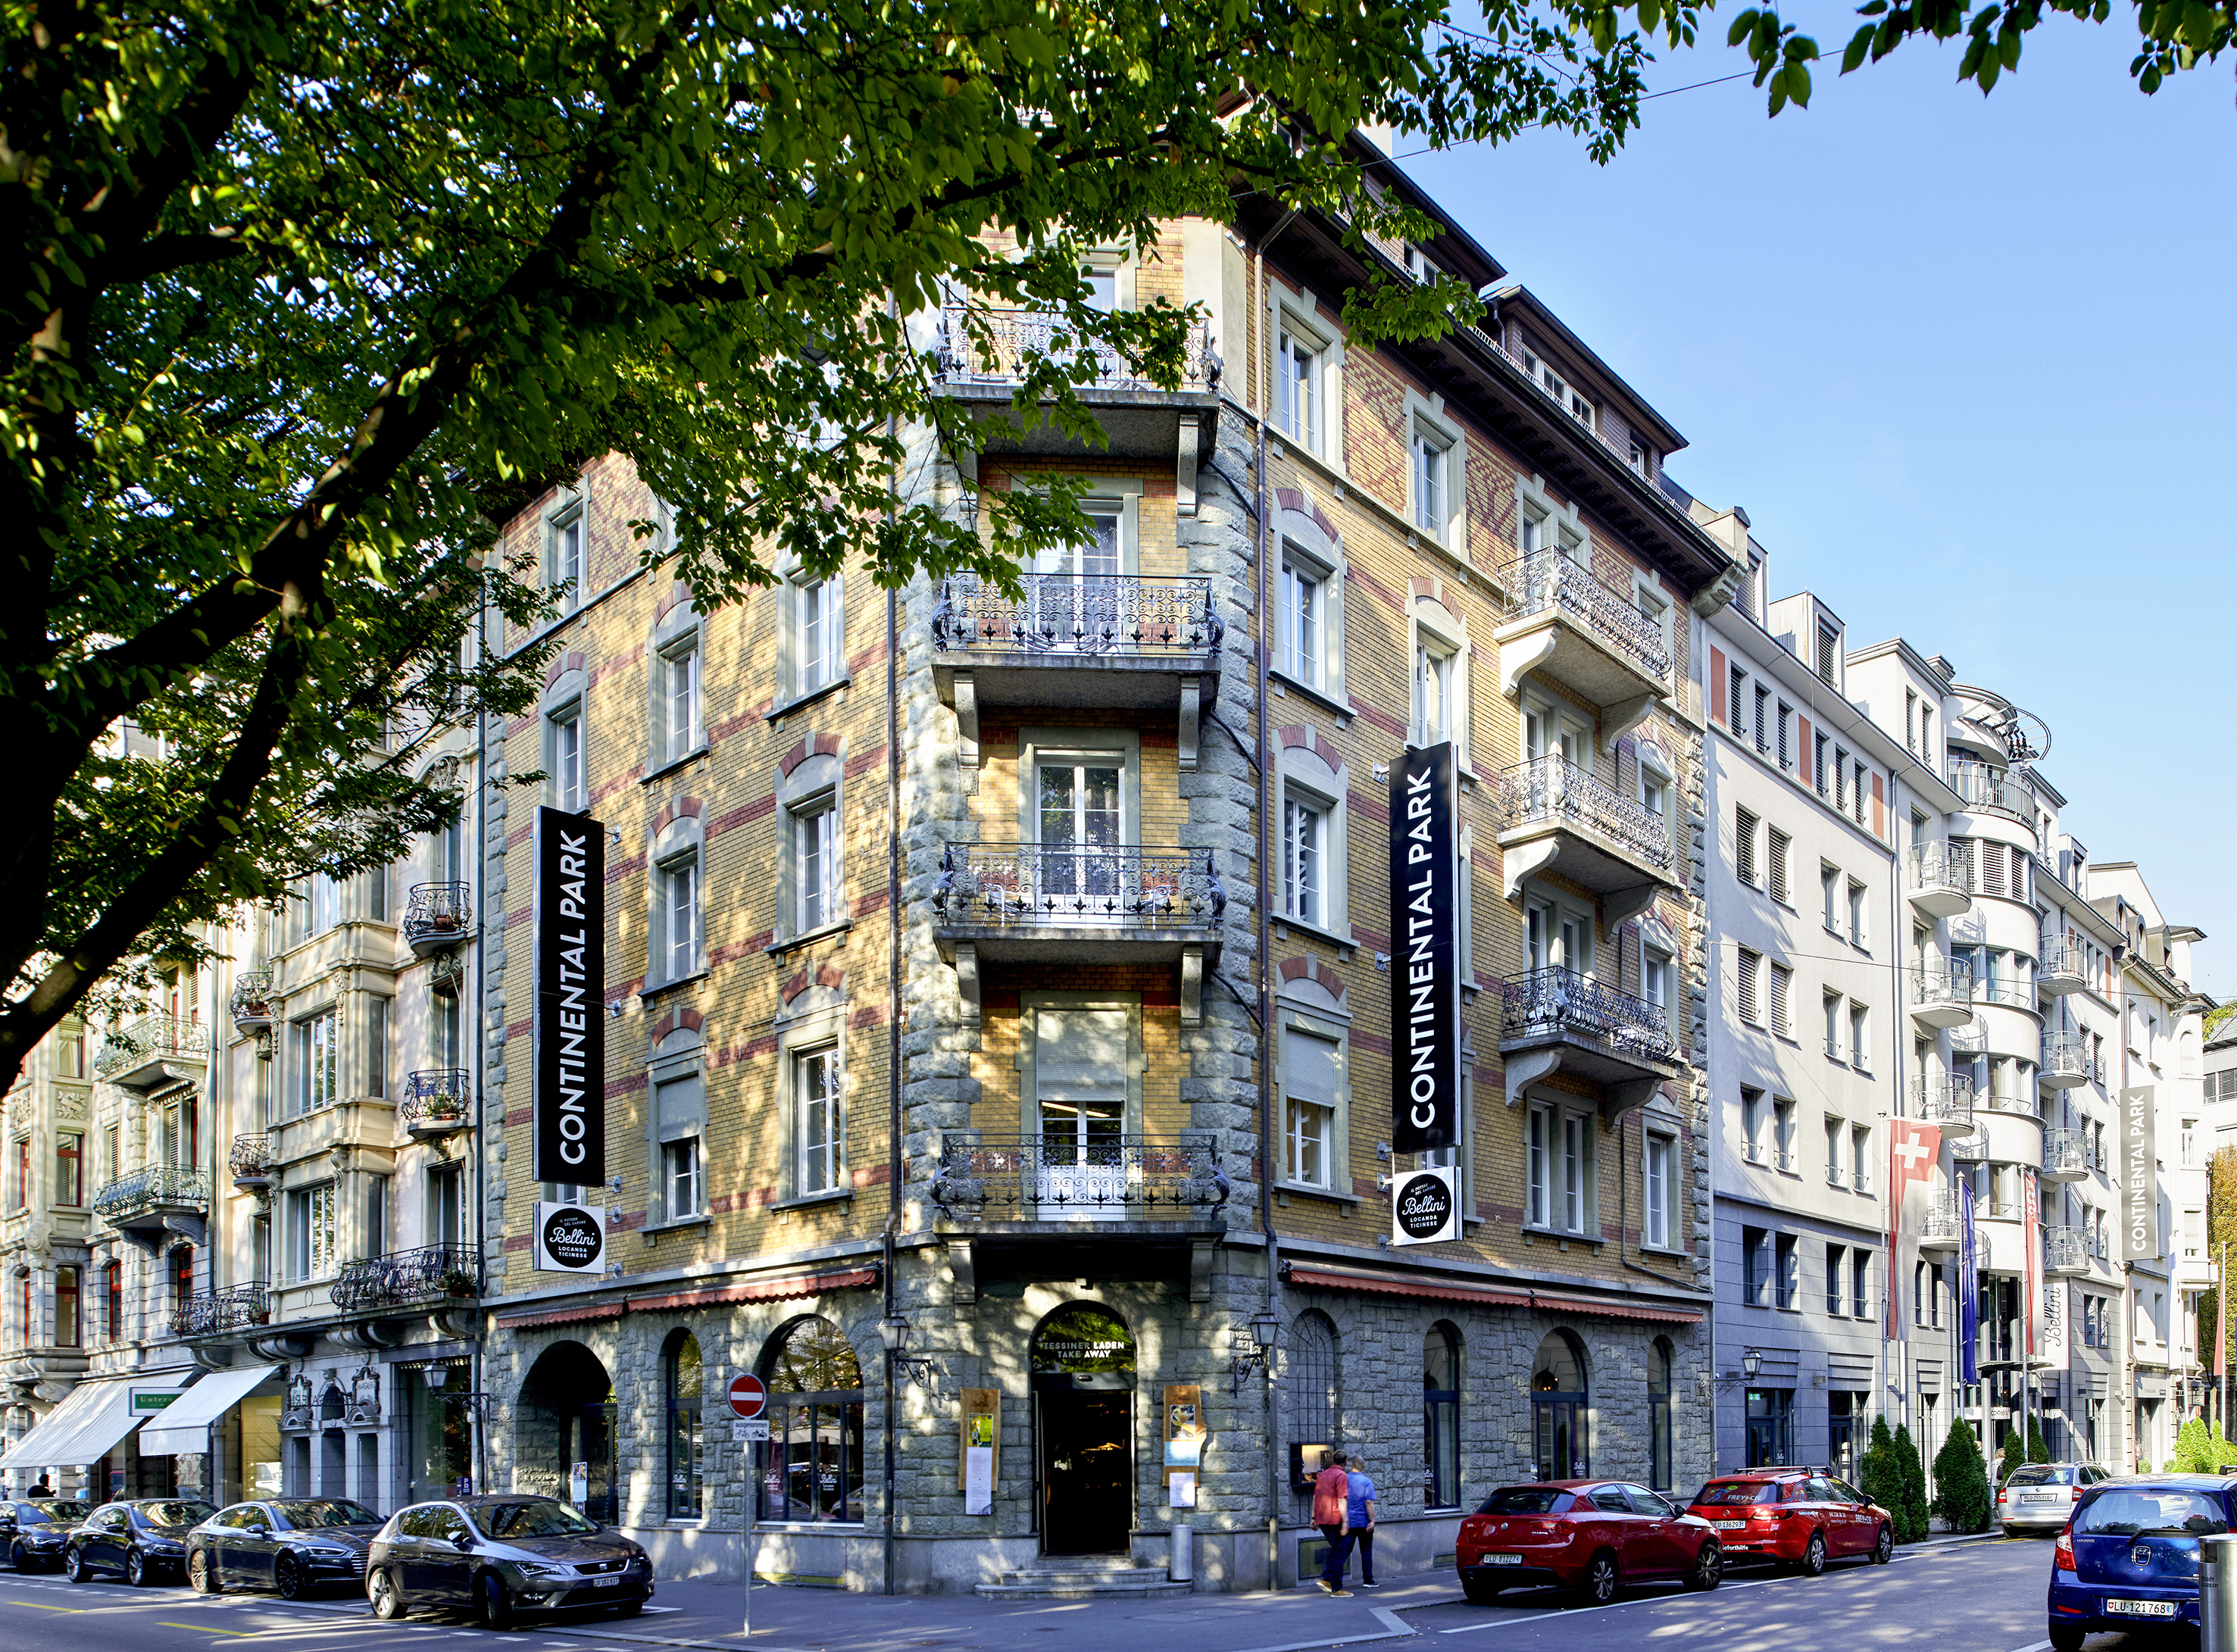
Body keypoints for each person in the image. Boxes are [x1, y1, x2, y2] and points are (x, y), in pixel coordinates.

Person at [1312, 1451, 1353, 1597]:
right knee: (1340, 1553)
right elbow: (1341, 1499)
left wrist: (1313, 1518)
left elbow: (1316, 1496)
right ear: (1345, 1462)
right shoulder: (1341, 1476)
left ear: (1333, 1460)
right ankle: (1336, 1588)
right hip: (1335, 1518)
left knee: (1336, 1550)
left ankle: (1326, 1579)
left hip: (1322, 1517)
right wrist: (1346, 1521)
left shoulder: (1323, 1475)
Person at [1345, 1455, 1379, 1587]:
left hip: (1348, 1522)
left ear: (1351, 1466)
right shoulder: (1367, 1482)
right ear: (1363, 1467)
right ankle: (1368, 1580)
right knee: (1366, 1550)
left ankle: (1332, 1579)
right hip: (1363, 1522)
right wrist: (1372, 1520)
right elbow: (1369, 1502)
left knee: (1344, 1552)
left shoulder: (1344, 1480)